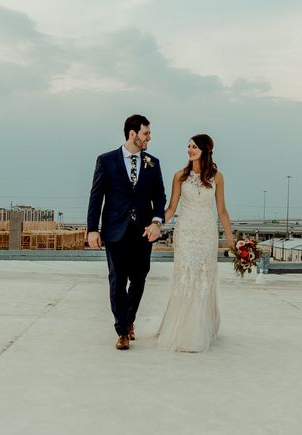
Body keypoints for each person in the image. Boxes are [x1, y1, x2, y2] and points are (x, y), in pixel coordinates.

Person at [87, 114, 166, 350]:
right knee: (117, 279)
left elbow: (159, 196)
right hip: (115, 231)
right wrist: (92, 229)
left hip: (143, 232)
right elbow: (96, 196)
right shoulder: (106, 160)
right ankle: (122, 330)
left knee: (139, 278)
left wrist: (156, 222)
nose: (149, 137)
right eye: (146, 133)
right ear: (133, 134)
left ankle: (129, 319)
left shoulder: (153, 162)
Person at [157, 134, 235, 352]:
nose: (190, 150)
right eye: (188, 146)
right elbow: (171, 208)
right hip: (186, 232)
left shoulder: (217, 177)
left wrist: (231, 241)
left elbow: (221, 210)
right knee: (186, 275)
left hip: (206, 233)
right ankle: (182, 329)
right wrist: (156, 224)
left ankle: (202, 327)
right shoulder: (179, 176)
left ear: (205, 150)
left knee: (203, 277)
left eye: (195, 147)